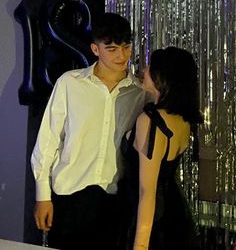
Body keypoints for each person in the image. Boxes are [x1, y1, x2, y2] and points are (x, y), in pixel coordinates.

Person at [31, 12, 150, 250]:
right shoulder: (70, 83)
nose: (122, 55)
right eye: (113, 49)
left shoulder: (139, 92)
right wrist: (42, 194)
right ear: (96, 49)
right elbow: (49, 139)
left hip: (114, 197)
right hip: (70, 195)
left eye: (126, 47)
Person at [121, 46, 203, 250]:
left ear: (163, 77)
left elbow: (147, 191)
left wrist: (140, 245)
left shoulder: (151, 121)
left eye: (150, 67)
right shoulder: (182, 118)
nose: (144, 70)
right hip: (172, 212)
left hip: (150, 218)